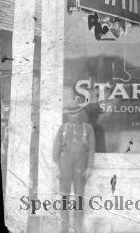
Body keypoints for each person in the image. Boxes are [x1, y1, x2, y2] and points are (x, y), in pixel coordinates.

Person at [53, 100, 95, 233]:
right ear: (67, 114)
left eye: (75, 113)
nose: (73, 116)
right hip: (65, 164)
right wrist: (56, 167)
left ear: (79, 113)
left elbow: (92, 149)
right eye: (70, 114)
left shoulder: (87, 128)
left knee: (79, 197)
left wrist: (89, 167)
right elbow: (56, 149)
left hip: (81, 165)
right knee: (64, 197)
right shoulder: (62, 128)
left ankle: (78, 229)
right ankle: (63, 229)